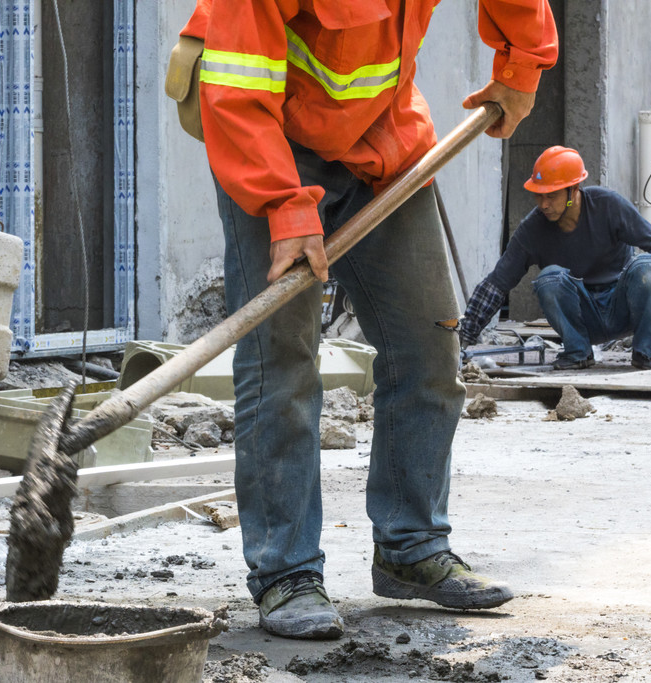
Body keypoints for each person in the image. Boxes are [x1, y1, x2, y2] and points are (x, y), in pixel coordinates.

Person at [171, 1, 558, 640]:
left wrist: (521, 64)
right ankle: (286, 573)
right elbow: (237, 90)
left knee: (430, 348)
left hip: (382, 138)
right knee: (281, 361)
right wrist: (282, 207)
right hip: (266, 137)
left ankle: (411, 549)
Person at [461, 146, 651, 370]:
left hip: (623, 309)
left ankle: (645, 353)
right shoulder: (532, 229)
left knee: (648, 268)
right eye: (539, 196)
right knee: (549, 279)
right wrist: (464, 336)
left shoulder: (608, 205)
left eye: (552, 196)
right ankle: (578, 353)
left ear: (573, 189)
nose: (543, 204)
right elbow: (496, 284)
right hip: (582, 318)